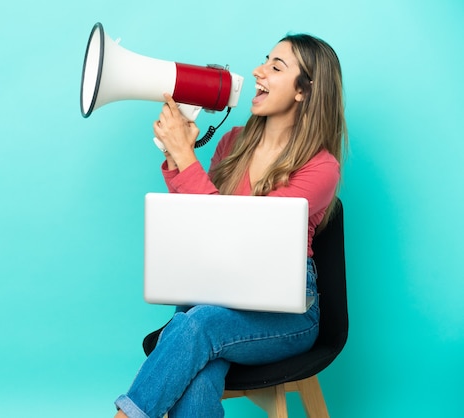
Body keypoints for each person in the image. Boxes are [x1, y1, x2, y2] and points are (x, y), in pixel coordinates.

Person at [114, 32, 347, 418]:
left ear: (304, 91)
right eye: (264, 60)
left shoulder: (321, 168)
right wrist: (177, 159)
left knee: (196, 325)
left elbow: (246, 242)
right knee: (200, 367)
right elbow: (206, 226)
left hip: (286, 314)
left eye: (276, 67)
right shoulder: (233, 143)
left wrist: (187, 158)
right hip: (212, 294)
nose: (258, 71)